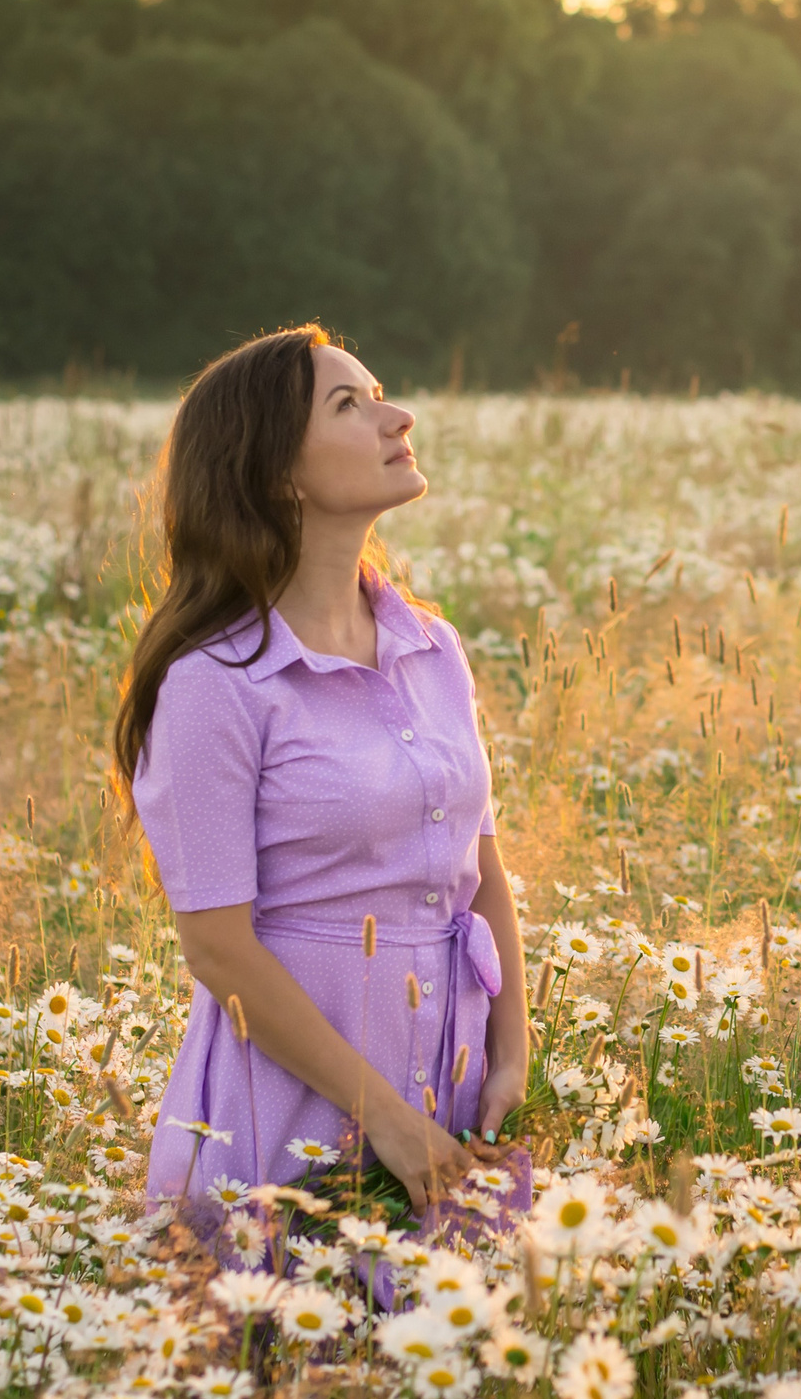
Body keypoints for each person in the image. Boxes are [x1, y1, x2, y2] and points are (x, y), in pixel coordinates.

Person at [112, 324, 529, 1243]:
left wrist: (511, 1051)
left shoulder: (433, 647)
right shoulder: (214, 682)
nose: (398, 416)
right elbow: (218, 947)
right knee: (282, 1328)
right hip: (290, 1111)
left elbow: (481, 867)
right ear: (278, 475)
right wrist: (385, 1119)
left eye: (379, 393)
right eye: (350, 404)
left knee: (445, 1333)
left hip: (452, 1093)